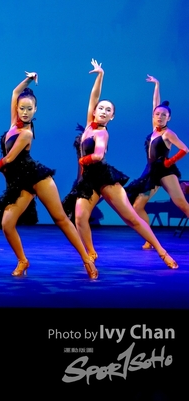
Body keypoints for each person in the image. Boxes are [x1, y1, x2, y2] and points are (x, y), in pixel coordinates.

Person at [0, 71, 98, 278]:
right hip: (20, 181)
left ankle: (87, 259)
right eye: (22, 108)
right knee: (7, 223)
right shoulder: (13, 125)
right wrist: (29, 79)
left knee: (60, 218)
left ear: (35, 110)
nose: (25, 112)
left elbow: (8, 159)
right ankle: (23, 261)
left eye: (29, 109)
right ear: (17, 108)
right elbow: (15, 92)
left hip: (36, 177)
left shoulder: (26, 133)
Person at [64, 60, 177, 269]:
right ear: (95, 111)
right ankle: (91, 255)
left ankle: (162, 252)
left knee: (131, 219)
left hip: (103, 177)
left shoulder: (102, 133)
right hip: (87, 180)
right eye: (101, 108)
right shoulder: (89, 125)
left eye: (108, 110)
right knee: (79, 218)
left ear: (112, 116)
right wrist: (101, 75)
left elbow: (98, 155)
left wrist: (84, 160)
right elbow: (94, 96)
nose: (103, 111)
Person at [125, 75, 189, 249]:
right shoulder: (154, 130)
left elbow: (185, 149)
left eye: (164, 115)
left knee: (182, 204)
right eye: (157, 114)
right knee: (137, 206)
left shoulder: (168, 133)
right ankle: (150, 239)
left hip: (165, 171)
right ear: (153, 116)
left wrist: (169, 162)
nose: (160, 116)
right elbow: (156, 104)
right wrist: (157, 85)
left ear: (169, 118)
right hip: (151, 171)